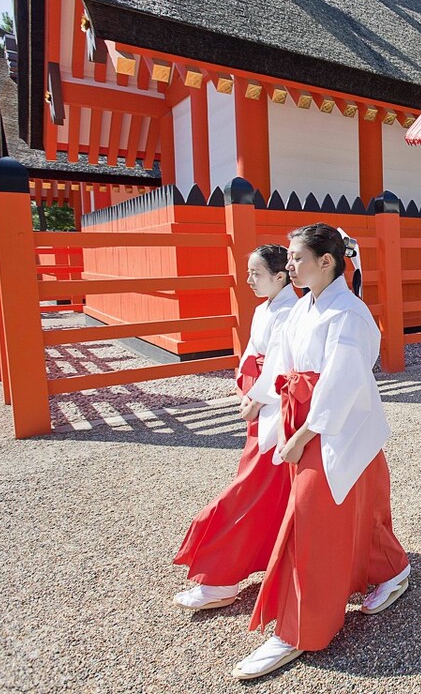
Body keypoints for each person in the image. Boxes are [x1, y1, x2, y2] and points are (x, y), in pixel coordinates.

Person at [238, 224, 411, 680]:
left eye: (296, 258)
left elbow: (343, 381)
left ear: (326, 261)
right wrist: (260, 394)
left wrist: (304, 434)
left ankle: (299, 629)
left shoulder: (348, 313)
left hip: (335, 425)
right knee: (359, 507)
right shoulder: (305, 308)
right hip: (312, 417)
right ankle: (391, 570)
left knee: (311, 518)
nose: (289, 265)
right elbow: (280, 359)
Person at [172, 245, 298, 611]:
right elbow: (252, 357)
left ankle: (220, 578)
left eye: (256, 273)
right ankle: (244, 566)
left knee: (248, 492)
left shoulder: (292, 311)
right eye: (248, 272)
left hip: (278, 411)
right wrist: (247, 391)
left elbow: (281, 364)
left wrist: (257, 398)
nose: (249, 280)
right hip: (261, 408)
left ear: (280, 276)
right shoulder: (265, 310)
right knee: (263, 492)